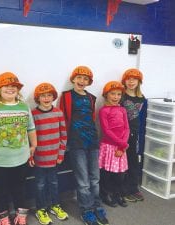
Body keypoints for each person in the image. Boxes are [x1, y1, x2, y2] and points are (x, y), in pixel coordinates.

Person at [0, 72, 37, 225]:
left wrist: (34, 145)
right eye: (6, 86)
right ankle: (3, 218)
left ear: (18, 89)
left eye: (14, 86)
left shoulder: (24, 106)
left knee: (20, 189)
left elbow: (31, 127)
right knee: (1, 191)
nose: (10, 89)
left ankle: (21, 215)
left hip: (21, 158)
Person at [59, 66, 109, 225]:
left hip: (92, 142)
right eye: (79, 77)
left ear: (89, 82)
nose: (82, 81)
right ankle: (86, 210)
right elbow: (62, 119)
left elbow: (92, 119)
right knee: (83, 181)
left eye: (85, 79)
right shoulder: (66, 96)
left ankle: (96, 206)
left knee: (95, 178)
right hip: (76, 143)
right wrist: (63, 142)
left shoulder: (91, 98)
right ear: (73, 79)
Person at [31, 83, 68, 225]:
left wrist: (61, 154)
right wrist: (30, 156)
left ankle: (55, 205)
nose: (46, 98)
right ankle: (40, 209)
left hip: (54, 158)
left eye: (49, 95)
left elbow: (63, 135)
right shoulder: (33, 114)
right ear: (37, 98)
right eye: (43, 95)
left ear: (53, 97)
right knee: (40, 184)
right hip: (39, 158)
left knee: (53, 182)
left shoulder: (58, 112)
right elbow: (29, 137)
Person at [98, 81, 130, 208]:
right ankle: (104, 194)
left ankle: (117, 195)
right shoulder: (103, 111)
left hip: (121, 148)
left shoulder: (122, 109)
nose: (116, 97)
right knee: (106, 174)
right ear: (106, 95)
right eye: (113, 94)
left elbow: (127, 128)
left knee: (120, 174)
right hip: (108, 147)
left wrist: (122, 146)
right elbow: (107, 131)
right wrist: (122, 144)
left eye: (118, 94)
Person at [120, 68, 147, 203]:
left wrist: (141, 137)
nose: (131, 81)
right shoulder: (121, 97)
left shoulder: (142, 99)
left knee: (134, 162)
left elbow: (143, 119)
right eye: (128, 79)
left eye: (134, 79)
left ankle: (133, 188)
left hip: (137, 136)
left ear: (139, 82)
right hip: (124, 135)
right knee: (123, 163)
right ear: (124, 81)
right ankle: (123, 190)